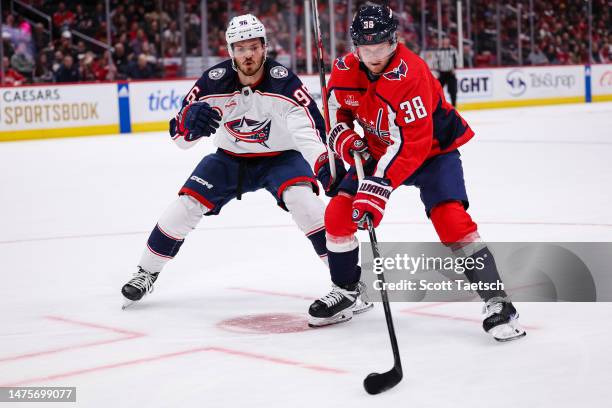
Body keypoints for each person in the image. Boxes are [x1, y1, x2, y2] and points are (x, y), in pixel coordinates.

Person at [120, 14, 372, 317]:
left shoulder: (284, 82)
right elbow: (179, 136)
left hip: (282, 158)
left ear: (265, 47)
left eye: (253, 47)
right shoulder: (213, 82)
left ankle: (350, 284)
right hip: (229, 159)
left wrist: (323, 164)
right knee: (185, 205)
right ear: (230, 51)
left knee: (304, 202)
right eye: (240, 48)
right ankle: (146, 273)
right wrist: (188, 126)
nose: (247, 54)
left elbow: (309, 132)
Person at [308, 5, 525, 342]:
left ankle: (498, 301)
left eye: (381, 46)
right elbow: (336, 111)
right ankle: (348, 290)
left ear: (394, 41)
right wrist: (343, 139)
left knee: (451, 220)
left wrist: (377, 189)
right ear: (355, 47)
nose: (374, 55)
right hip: (381, 153)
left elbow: (413, 144)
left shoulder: (411, 73)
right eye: (366, 48)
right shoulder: (343, 69)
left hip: (433, 152)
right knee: (337, 213)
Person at [434, 37, 460, 107]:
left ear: (449, 42)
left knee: (453, 90)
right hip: (442, 73)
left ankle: (454, 105)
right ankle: (437, 106)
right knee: (437, 90)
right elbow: (436, 61)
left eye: (447, 41)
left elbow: (457, 59)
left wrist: (454, 69)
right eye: (444, 41)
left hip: (450, 73)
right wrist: (437, 71)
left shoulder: (453, 50)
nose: (445, 43)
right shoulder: (439, 50)